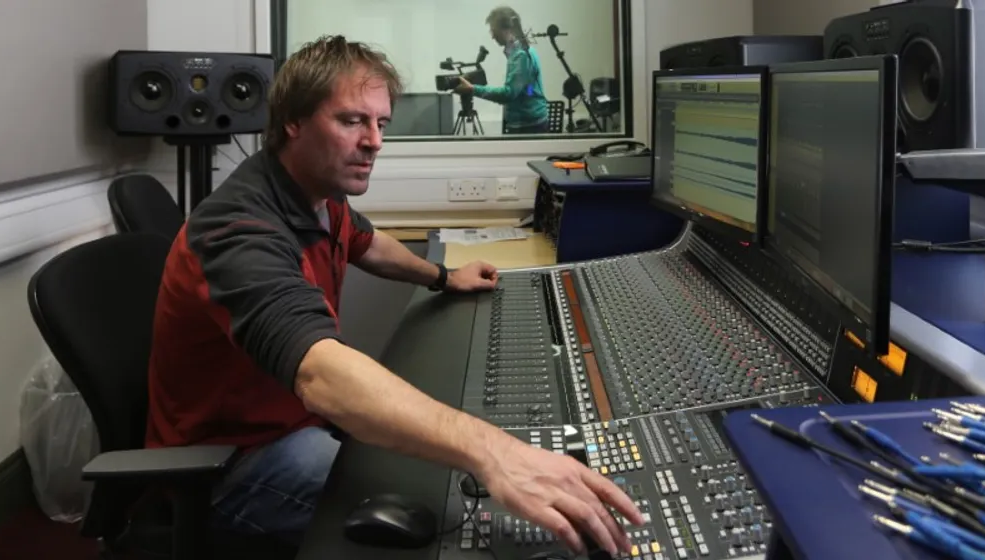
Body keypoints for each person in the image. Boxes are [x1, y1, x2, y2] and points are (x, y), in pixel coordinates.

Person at [144, 35, 643, 556]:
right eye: (352, 121)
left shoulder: (316, 195)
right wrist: (494, 453)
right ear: (293, 121)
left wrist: (442, 277)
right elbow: (319, 374)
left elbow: (368, 243)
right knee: (445, 514)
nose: (374, 141)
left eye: (381, 123)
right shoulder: (238, 231)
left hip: (299, 426)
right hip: (236, 465)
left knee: (438, 470)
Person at [455, 6, 550, 134]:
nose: (492, 36)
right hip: (532, 122)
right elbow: (529, 88)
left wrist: (472, 89)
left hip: (527, 127)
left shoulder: (520, 55)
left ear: (507, 29)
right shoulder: (528, 51)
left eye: (494, 30)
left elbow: (508, 94)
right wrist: (527, 95)